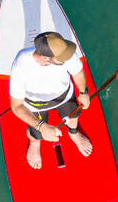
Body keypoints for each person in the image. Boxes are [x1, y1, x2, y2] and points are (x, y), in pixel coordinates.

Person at [8, 30, 94, 170]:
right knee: (37, 133)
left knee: (73, 116)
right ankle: (35, 143)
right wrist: (42, 127)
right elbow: (17, 106)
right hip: (36, 104)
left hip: (65, 95)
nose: (67, 59)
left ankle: (74, 134)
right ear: (45, 58)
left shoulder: (63, 50)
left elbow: (78, 72)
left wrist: (83, 92)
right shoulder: (21, 65)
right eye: (61, 59)